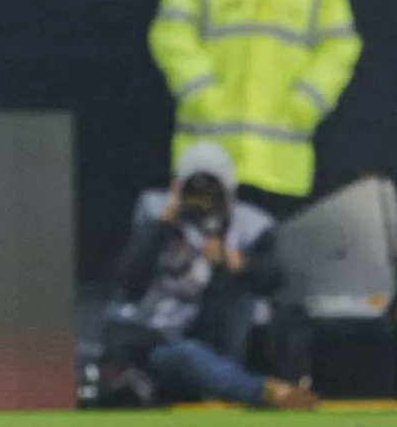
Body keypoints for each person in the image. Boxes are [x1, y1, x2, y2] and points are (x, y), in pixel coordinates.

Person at [149, 0, 362, 216]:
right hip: (208, 160)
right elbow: (169, 32)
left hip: (281, 168)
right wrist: (201, 91)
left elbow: (341, 46)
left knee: (271, 266)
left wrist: (307, 101)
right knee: (206, 261)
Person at [101, 143, 316, 409]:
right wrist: (164, 224)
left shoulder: (248, 224)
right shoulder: (155, 212)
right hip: (155, 341)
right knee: (184, 355)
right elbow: (128, 280)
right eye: (195, 192)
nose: (203, 202)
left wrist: (234, 264)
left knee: (207, 338)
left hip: (215, 337)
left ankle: (242, 383)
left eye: (211, 194)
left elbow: (276, 280)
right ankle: (263, 392)